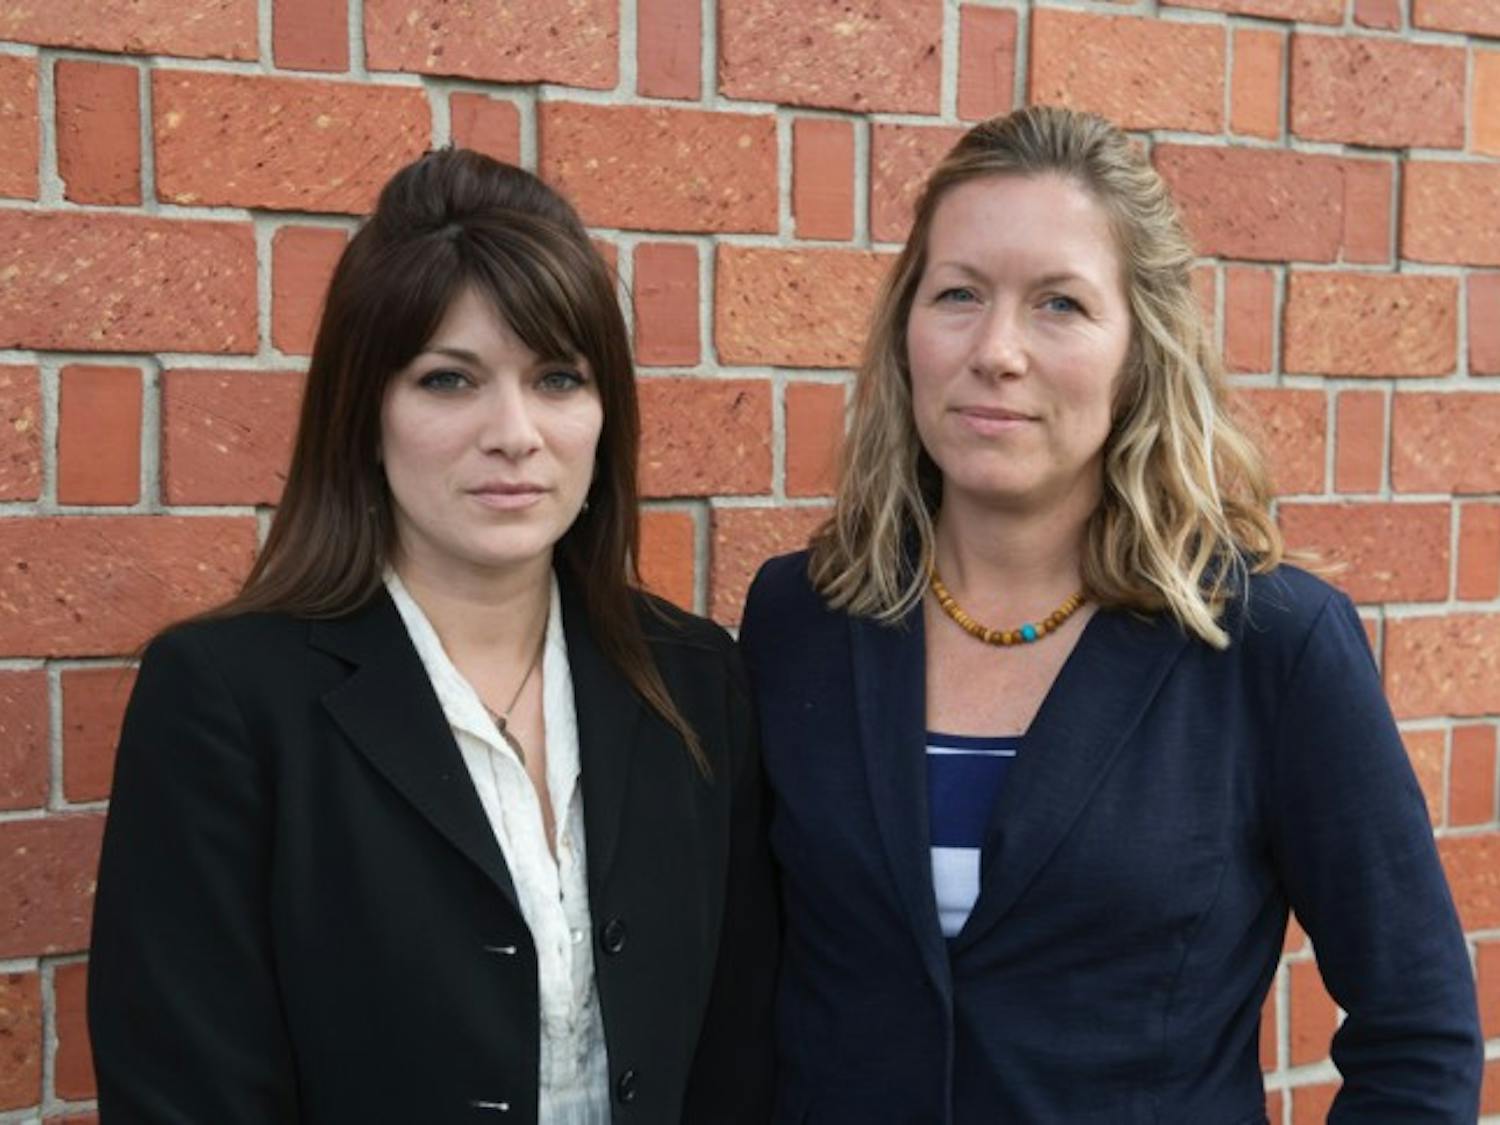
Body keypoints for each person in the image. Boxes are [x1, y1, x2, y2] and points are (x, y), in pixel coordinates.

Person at [738, 106, 1482, 1122]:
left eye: (1059, 305)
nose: (997, 351)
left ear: (1141, 349)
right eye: (958, 294)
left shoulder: (1266, 645)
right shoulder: (801, 619)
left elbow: (1419, 1033)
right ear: (906, 326)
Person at [88, 148, 777, 1124]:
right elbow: (183, 1092)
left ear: (604, 412)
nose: (514, 432)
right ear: (366, 413)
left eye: (557, 379)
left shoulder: (697, 678)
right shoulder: (226, 697)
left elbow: (736, 1059)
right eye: (450, 381)